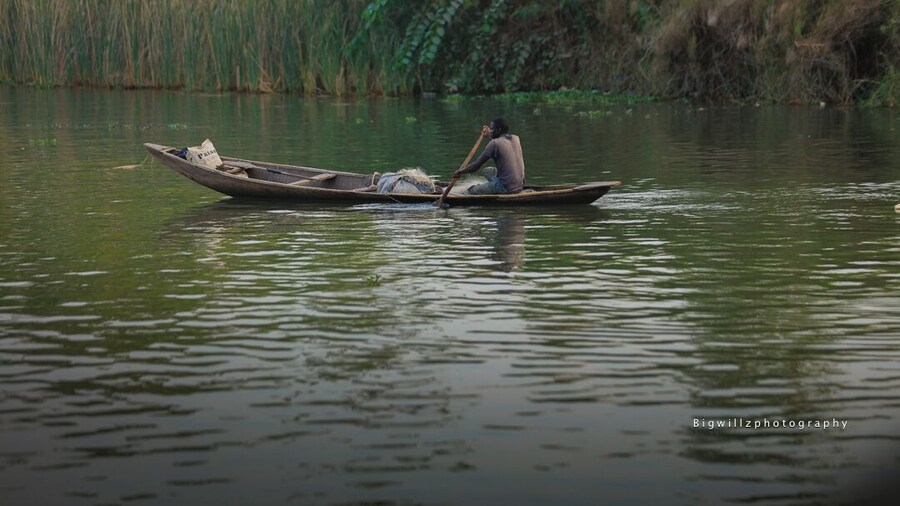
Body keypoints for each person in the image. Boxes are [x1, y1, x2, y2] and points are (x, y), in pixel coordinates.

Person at [453, 118, 525, 194]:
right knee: (487, 171)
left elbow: (476, 166)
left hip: (505, 188)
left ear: (499, 130)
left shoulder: (494, 143)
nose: (490, 131)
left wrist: (460, 172)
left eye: (492, 129)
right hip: (520, 185)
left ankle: (494, 187)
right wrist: (488, 135)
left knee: (472, 190)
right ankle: (495, 184)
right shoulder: (516, 138)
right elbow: (500, 142)